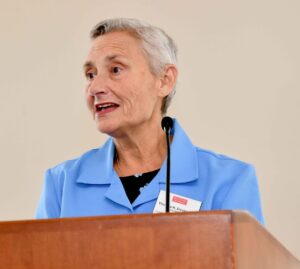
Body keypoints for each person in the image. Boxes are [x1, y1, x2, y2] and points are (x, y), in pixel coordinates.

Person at [36, 18, 264, 224]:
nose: (95, 88)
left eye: (115, 69)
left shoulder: (229, 181)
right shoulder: (61, 184)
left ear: (164, 80)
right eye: (90, 75)